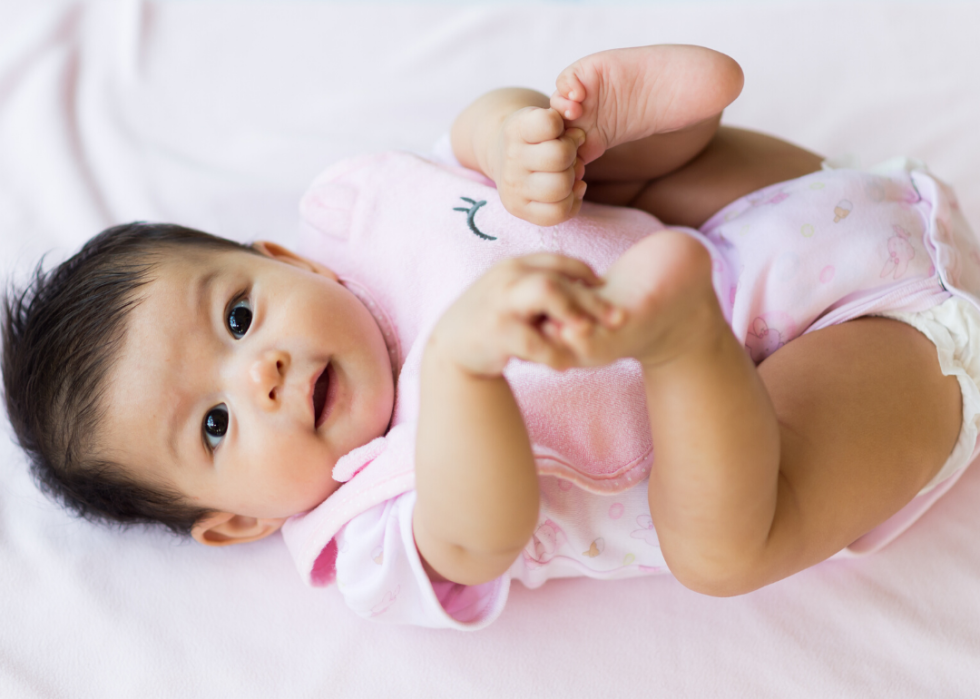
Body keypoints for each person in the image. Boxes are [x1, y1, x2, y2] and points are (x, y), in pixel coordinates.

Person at [3, 45, 978, 630]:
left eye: (238, 315)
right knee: (721, 544)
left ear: (285, 258)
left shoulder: (364, 216)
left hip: (777, 211)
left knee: (591, 187)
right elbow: (480, 535)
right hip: (868, 354)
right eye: (214, 426)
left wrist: (517, 136)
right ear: (237, 523)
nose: (256, 374)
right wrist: (464, 367)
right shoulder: (367, 533)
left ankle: (646, 131)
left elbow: (454, 145)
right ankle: (679, 342)